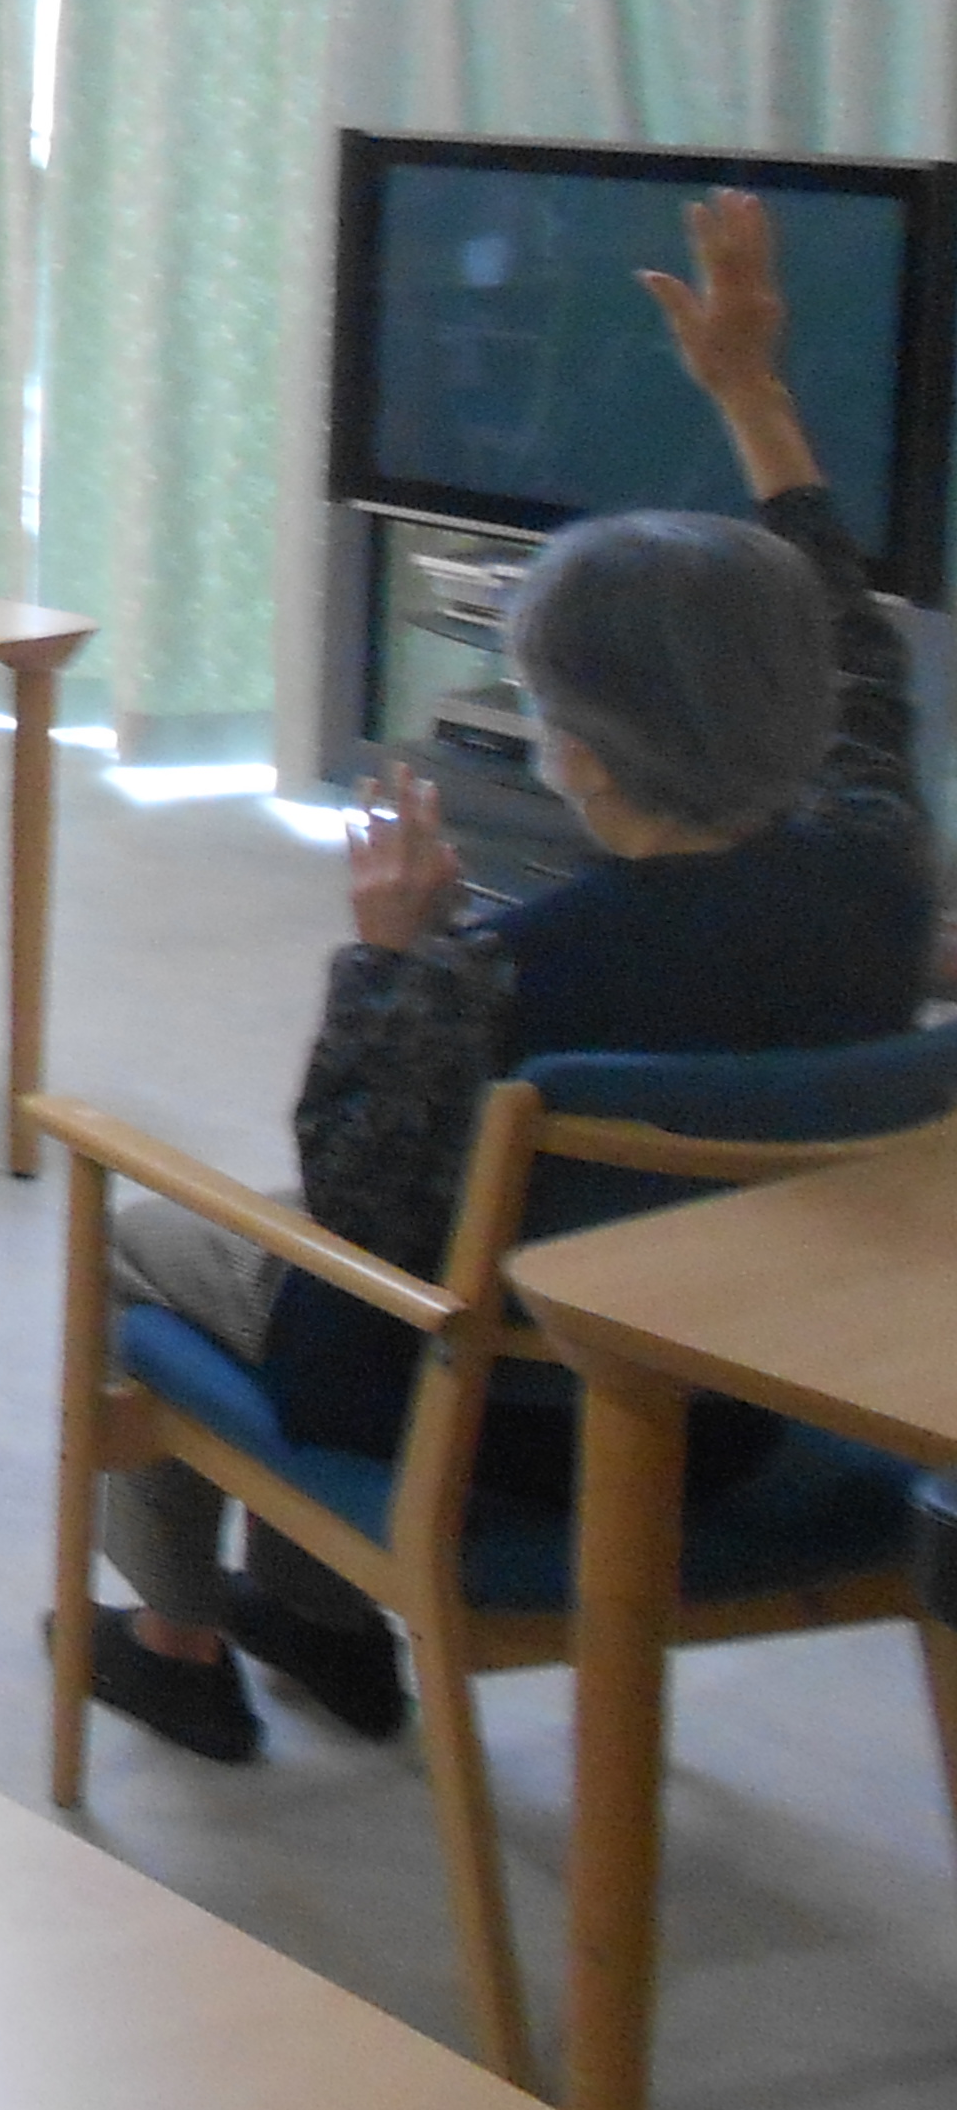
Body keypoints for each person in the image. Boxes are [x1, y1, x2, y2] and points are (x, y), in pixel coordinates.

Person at [79, 190, 932, 1764]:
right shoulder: (884, 876)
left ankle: (176, 1642)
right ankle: (316, 1618)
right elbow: (859, 646)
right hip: (740, 1402)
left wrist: (383, 962)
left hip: (498, 1439)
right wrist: (752, 394)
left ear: (577, 756)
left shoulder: (499, 979)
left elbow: (359, 1219)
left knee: (149, 1236)